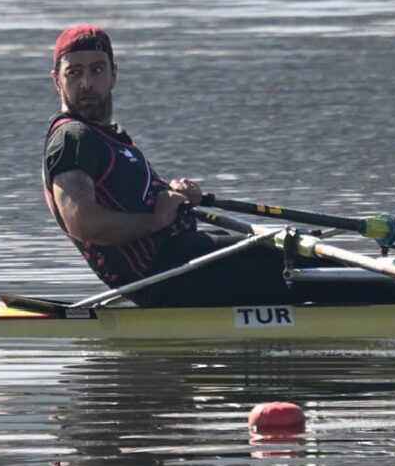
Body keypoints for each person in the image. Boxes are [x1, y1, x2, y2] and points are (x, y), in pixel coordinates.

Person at [41, 25, 301, 307]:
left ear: (114, 74)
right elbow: (84, 223)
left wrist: (175, 194)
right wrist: (157, 220)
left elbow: (134, 199)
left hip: (181, 259)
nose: (87, 83)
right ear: (57, 80)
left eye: (97, 70)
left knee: (295, 250)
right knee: (295, 260)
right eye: (74, 73)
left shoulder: (107, 137)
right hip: (163, 276)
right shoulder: (72, 138)